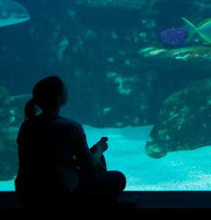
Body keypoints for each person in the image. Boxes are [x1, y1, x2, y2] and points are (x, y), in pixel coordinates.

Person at [15, 76, 130, 210]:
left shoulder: (26, 126)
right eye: (65, 88)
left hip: (26, 195)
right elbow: (87, 164)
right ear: (59, 98)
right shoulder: (70, 127)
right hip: (60, 195)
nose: (68, 89)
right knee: (119, 178)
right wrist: (99, 148)